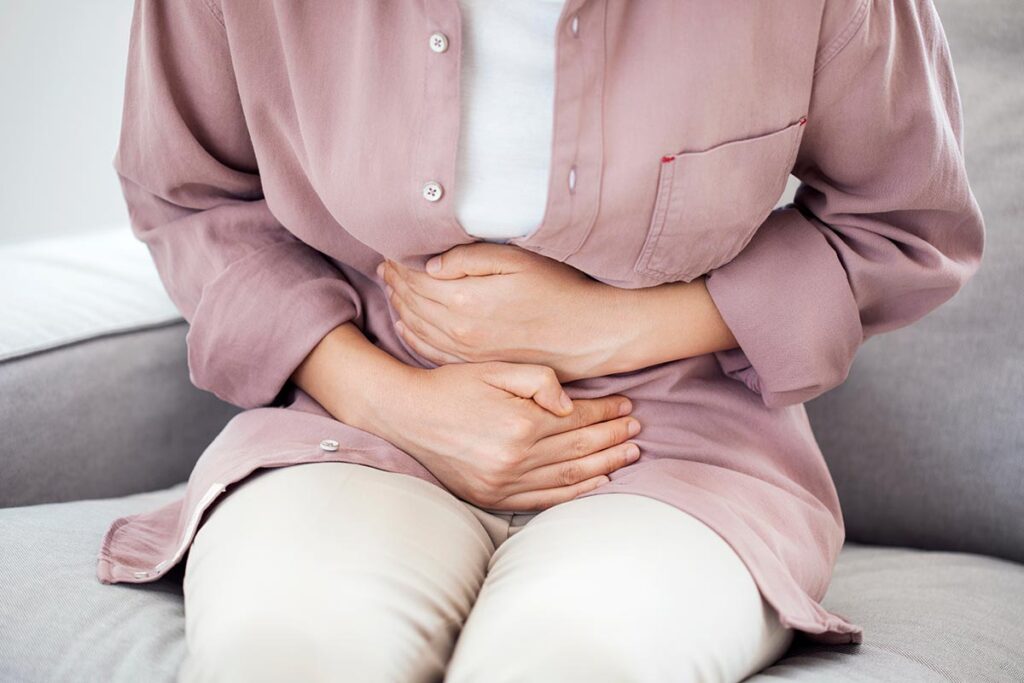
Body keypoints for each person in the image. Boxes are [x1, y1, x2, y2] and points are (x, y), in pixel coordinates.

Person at [96, 1, 985, 681]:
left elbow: (905, 227)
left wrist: (617, 325)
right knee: (288, 650)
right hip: (351, 425)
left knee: (572, 659)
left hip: (680, 448)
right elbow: (190, 196)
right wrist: (389, 399)